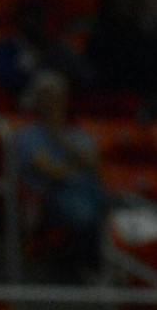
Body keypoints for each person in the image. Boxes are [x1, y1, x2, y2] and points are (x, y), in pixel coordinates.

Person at [14, 70, 109, 268]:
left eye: (57, 97)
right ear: (38, 101)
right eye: (47, 97)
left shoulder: (78, 133)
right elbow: (49, 170)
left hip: (87, 189)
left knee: (115, 210)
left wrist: (60, 138)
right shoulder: (28, 135)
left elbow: (93, 163)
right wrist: (75, 168)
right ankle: (86, 268)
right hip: (49, 195)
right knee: (85, 216)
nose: (52, 103)